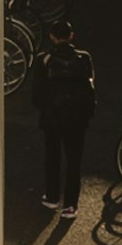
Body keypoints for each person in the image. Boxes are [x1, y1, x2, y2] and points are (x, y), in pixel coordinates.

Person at [35, 16, 96, 219]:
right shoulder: (84, 58)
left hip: (52, 117)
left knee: (52, 158)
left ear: (52, 37)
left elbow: (37, 93)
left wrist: (45, 108)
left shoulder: (43, 60)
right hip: (77, 119)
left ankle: (52, 197)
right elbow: (90, 89)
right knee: (74, 161)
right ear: (71, 36)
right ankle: (70, 205)